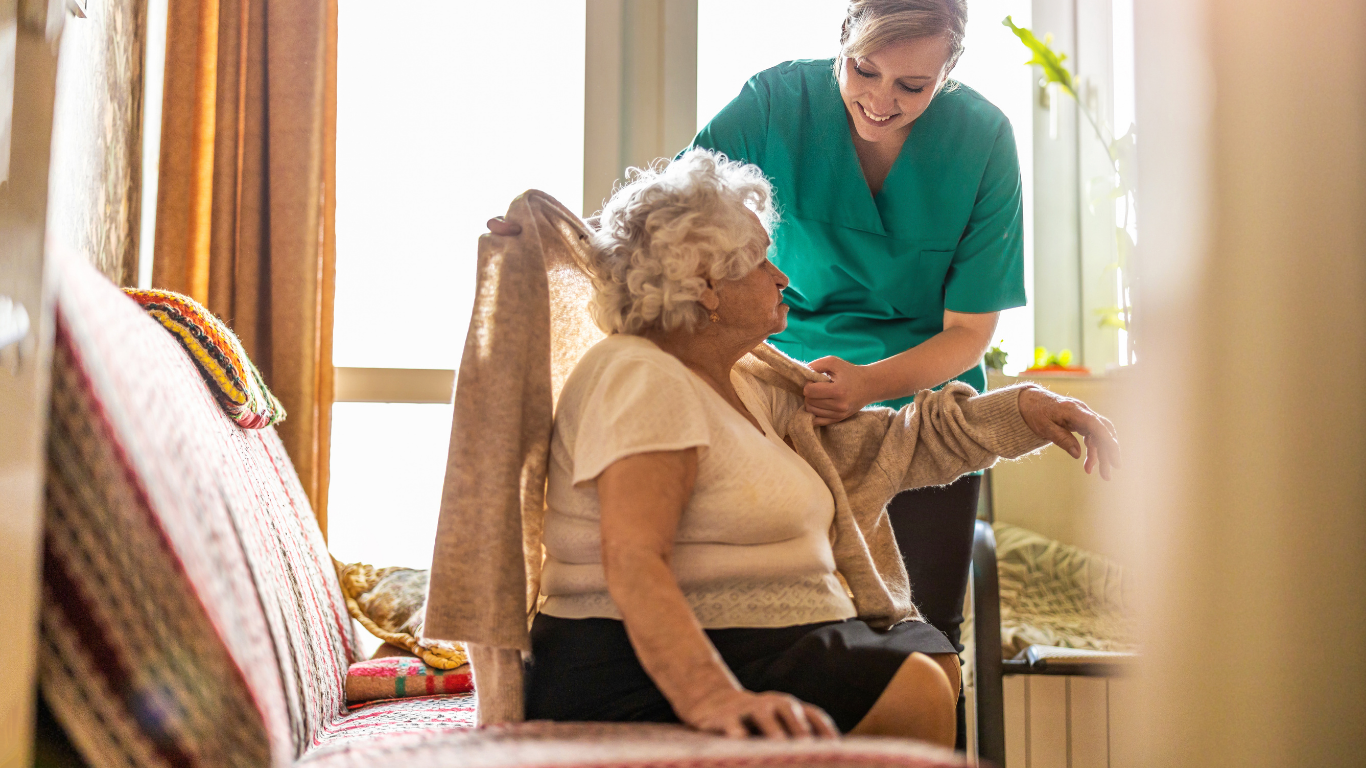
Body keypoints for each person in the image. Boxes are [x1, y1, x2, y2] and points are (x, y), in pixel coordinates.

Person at [518, 149, 1119, 746]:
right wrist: (712, 696)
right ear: (705, 285)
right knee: (913, 689)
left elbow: (896, 444)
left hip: (764, 638)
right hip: (630, 662)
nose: (780, 277)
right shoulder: (640, 374)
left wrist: (1027, 410)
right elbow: (632, 558)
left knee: (930, 664)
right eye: (758, 261)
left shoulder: (754, 385)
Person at [686, 2, 1020, 743]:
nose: (880, 99)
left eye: (913, 85)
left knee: (928, 636)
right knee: (796, 632)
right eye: (863, 70)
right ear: (841, 40)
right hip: (787, 398)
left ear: (950, 72)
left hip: (927, 408)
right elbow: (668, 222)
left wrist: (870, 385)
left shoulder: (984, 138)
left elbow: (970, 332)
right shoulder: (774, 104)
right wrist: (551, 238)